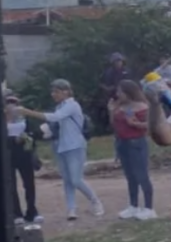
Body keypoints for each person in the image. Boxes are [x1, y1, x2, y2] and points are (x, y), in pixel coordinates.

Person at [17, 79, 104, 221]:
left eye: (56, 91)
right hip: (61, 147)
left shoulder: (72, 105)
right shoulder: (60, 107)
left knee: (76, 179)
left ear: (66, 91)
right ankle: (71, 208)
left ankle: (95, 201)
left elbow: (55, 117)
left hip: (75, 146)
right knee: (67, 180)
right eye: (53, 92)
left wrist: (28, 112)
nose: (53, 94)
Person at [108, 80, 157, 220]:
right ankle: (133, 206)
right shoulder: (120, 106)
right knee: (130, 176)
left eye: (120, 91)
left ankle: (149, 208)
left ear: (128, 92)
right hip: (122, 143)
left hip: (136, 143)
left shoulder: (142, 106)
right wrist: (111, 110)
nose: (118, 94)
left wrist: (136, 124)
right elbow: (114, 124)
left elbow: (151, 125)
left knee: (142, 175)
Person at [6, 93, 40, 224]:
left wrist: (29, 140)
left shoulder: (24, 120)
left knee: (29, 183)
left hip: (24, 153)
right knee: (11, 185)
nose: (12, 106)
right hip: (9, 155)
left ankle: (32, 211)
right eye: (9, 102)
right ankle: (17, 213)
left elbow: (33, 134)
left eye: (14, 102)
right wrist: (13, 140)